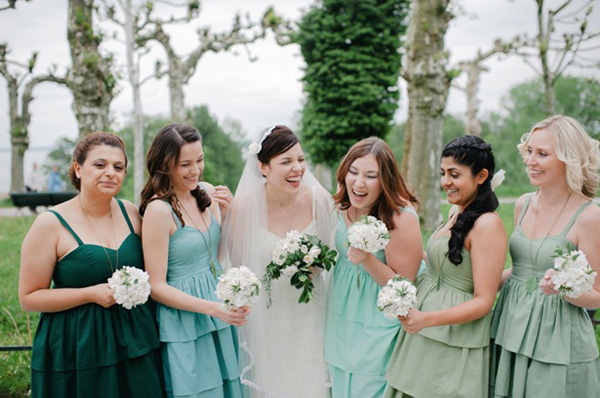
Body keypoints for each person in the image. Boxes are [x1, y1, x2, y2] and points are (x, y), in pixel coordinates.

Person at [19, 132, 164, 398]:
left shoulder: (131, 212)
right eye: (100, 165)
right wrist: (89, 294)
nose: (111, 173)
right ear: (78, 168)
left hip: (134, 340)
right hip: (77, 346)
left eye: (118, 167)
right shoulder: (49, 224)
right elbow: (29, 298)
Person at [385, 135, 507, 398]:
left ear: (481, 176)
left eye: (454, 174)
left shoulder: (488, 225)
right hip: (423, 332)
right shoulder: (456, 212)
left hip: (451, 337)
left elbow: (483, 301)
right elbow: (444, 265)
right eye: (443, 173)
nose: (445, 182)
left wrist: (425, 319)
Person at [219, 125, 335, 398]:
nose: (297, 168)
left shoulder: (319, 200)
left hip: (312, 316)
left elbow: (336, 255)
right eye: (286, 161)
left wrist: (320, 264)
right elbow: (238, 271)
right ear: (263, 167)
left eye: (300, 159)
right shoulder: (244, 207)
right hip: (267, 321)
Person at [490, 115, 600, 398]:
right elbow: (519, 269)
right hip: (510, 322)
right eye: (529, 151)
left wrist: (563, 290)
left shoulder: (589, 216)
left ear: (568, 159)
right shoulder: (524, 203)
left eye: (542, 154)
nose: (530, 160)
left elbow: (598, 293)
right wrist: (480, 287)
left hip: (557, 337)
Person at [140, 124, 246, 398]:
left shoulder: (206, 192)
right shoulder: (158, 211)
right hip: (185, 320)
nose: (196, 170)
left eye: (199, 160)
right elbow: (157, 286)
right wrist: (212, 308)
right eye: (185, 164)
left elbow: (220, 251)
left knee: (229, 388)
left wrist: (227, 214)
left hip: (218, 310)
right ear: (165, 165)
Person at [324, 137, 423, 398]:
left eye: (370, 176)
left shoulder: (400, 217)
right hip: (342, 311)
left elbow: (403, 287)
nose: (358, 183)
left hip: (379, 318)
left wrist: (368, 259)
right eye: (353, 172)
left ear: (385, 180)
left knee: (368, 387)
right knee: (341, 382)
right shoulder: (343, 206)